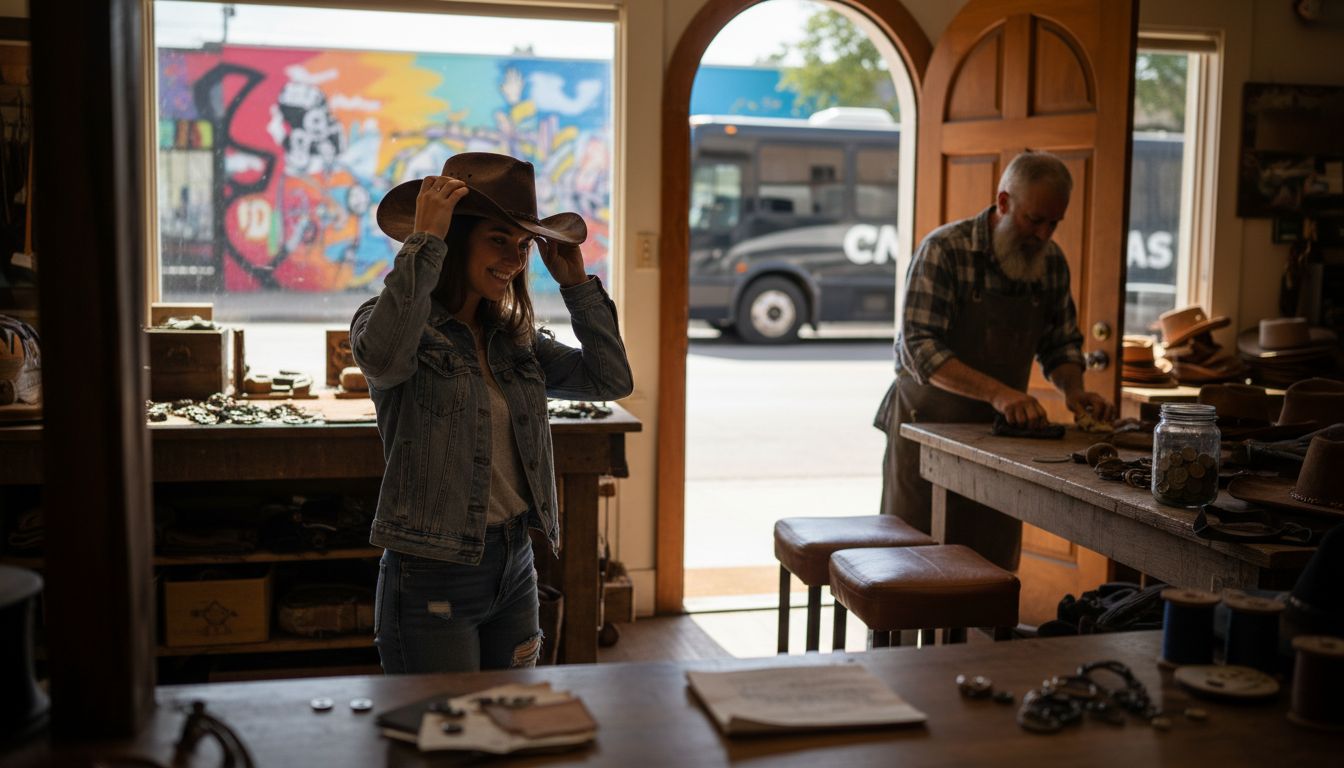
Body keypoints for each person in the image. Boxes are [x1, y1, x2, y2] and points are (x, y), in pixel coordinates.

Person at [351, 152, 633, 673]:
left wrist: (577, 286)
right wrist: (425, 242)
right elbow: (385, 359)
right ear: (454, 240)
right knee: (444, 737)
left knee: (515, 724)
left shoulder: (511, 337)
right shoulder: (389, 323)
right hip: (433, 569)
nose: (515, 259)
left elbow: (611, 379)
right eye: (498, 240)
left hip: (516, 563)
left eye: (523, 245)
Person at [876, 151, 1115, 570]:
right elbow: (919, 347)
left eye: (1054, 222)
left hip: (999, 441)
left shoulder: (1051, 262)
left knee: (988, 571)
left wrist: (1075, 391)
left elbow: (1060, 344)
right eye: (1034, 220)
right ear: (1003, 202)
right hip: (925, 428)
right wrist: (999, 393)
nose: (1044, 234)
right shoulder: (944, 251)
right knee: (910, 566)